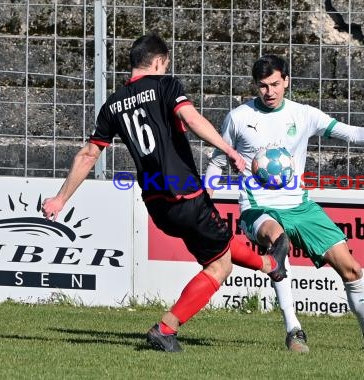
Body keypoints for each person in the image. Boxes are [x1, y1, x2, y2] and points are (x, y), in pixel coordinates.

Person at [41, 33, 288, 353]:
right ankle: (166, 328)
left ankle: (271, 265)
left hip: (157, 205)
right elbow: (190, 116)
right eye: (165, 64)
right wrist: (228, 149)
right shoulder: (165, 85)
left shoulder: (112, 104)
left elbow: (89, 154)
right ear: (158, 62)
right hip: (185, 194)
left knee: (219, 249)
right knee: (219, 266)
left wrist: (60, 199)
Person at [205, 54, 364, 352]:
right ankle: (294, 330)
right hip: (258, 208)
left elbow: (352, 133)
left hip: (301, 207)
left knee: (352, 269)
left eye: (276, 84)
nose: (270, 92)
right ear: (255, 86)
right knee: (278, 244)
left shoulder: (304, 114)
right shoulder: (239, 118)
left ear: (287, 81)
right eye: (263, 86)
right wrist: (206, 203)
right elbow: (217, 163)